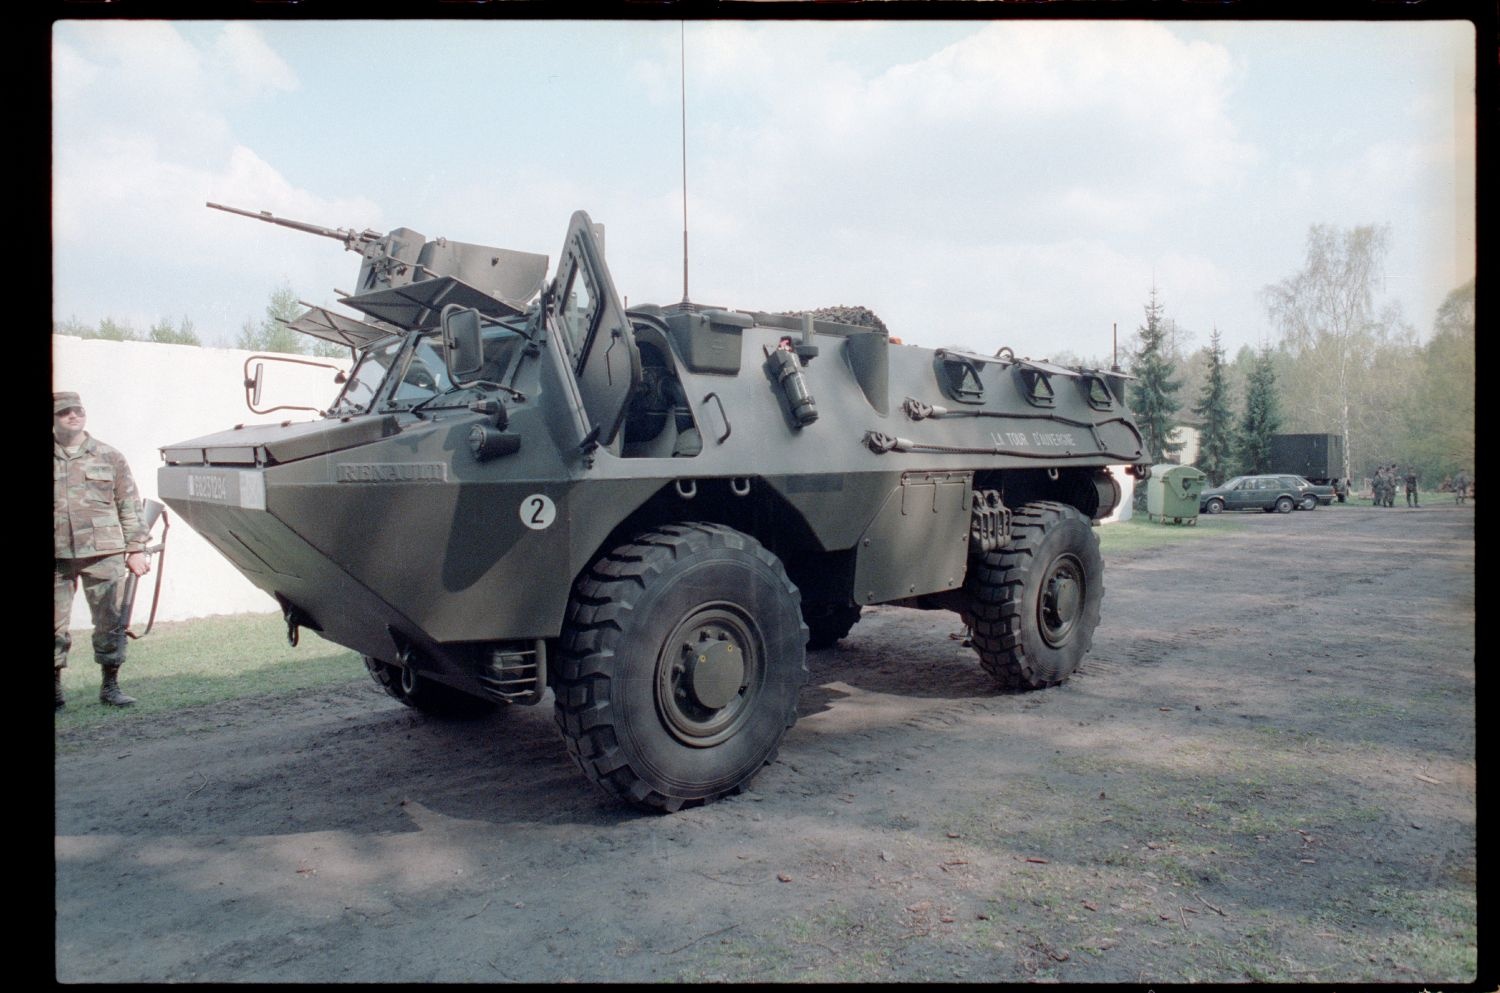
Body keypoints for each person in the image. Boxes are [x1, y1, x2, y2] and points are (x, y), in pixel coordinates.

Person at [54, 392, 152, 709]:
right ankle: (54, 690)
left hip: (104, 552)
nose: (72, 416)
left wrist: (136, 548)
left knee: (110, 622)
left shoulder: (109, 456)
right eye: (63, 412)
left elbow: (130, 504)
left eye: (77, 410)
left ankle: (110, 686)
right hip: (57, 555)